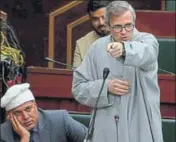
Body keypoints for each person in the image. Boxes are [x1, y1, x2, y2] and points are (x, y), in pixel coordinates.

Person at [72, 1, 163, 142]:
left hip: (141, 124)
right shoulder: (96, 48)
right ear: (108, 26)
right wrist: (105, 87)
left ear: (134, 22)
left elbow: (148, 54)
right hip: (106, 128)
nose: (124, 31)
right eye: (118, 27)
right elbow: (78, 88)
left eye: (128, 25)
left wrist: (125, 49)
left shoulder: (147, 41)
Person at [1, 83, 87, 142]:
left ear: (35, 105)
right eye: (18, 113)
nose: (26, 117)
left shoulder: (60, 120)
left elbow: (92, 139)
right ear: (10, 116)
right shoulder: (3, 133)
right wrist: (24, 138)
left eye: (28, 109)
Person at [73, 0, 111, 68]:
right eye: (95, 19)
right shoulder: (81, 44)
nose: (101, 23)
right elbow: (77, 76)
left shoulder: (125, 35)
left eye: (104, 17)